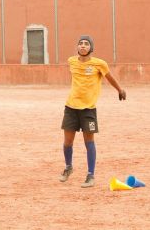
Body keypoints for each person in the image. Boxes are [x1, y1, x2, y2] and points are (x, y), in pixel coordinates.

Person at [59, 35, 127, 188]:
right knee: (67, 141)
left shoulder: (99, 64)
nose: (83, 46)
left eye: (86, 44)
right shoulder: (71, 61)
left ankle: (90, 175)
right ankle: (68, 168)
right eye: (80, 43)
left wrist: (120, 90)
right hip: (71, 108)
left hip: (88, 109)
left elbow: (109, 78)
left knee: (89, 141)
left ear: (91, 48)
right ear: (77, 47)